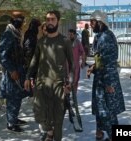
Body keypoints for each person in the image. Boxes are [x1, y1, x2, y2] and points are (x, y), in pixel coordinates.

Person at [24, 10, 74, 141]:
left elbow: (72, 65)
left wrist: (70, 83)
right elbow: (34, 61)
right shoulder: (41, 41)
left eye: (53, 19)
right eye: (48, 19)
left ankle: (54, 137)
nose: (50, 22)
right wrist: (28, 77)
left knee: (57, 118)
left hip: (59, 84)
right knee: (38, 112)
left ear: (58, 21)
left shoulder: (65, 41)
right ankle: (49, 132)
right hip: (41, 83)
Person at [87, 10, 125, 141]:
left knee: (107, 113)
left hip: (107, 80)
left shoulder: (106, 37)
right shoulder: (99, 36)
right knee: (101, 110)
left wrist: (109, 84)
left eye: (92, 21)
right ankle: (100, 133)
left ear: (100, 22)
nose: (90, 24)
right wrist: (93, 67)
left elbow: (109, 63)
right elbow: (100, 60)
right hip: (100, 80)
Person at [0, 11, 28, 132]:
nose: (22, 23)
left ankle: (14, 118)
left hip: (19, 69)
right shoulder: (8, 34)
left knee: (18, 96)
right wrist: (11, 70)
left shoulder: (16, 34)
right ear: (16, 21)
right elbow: (2, 55)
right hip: (13, 72)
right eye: (21, 20)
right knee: (12, 97)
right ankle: (11, 123)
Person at [68, 29, 86, 94]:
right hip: (68, 66)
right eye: (69, 35)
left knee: (75, 81)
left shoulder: (78, 42)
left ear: (75, 35)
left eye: (71, 35)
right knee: (68, 81)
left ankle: (74, 96)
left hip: (76, 66)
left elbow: (83, 52)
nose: (70, 36)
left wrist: (83, 62)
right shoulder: (67, 42)